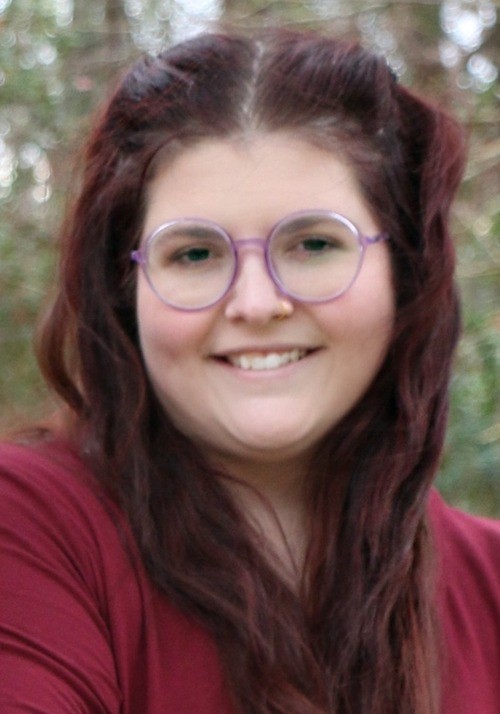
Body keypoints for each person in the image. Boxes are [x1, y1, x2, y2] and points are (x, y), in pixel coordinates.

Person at [1, 27, 499, 714]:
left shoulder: (489, 583)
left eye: (314, 244)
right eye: (194, 254)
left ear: (405, 273)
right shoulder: (29, 530)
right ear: (125, 289)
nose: (257, 304)